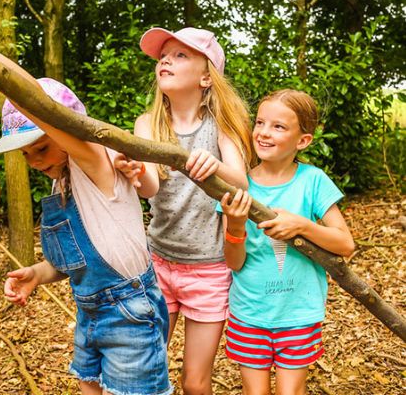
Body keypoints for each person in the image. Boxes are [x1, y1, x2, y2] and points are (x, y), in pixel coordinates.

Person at [0, 1, 172, 395]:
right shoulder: (61, 182)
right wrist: (38, 273)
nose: (34, 161)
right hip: (90, 314)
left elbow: (32, 96)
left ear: (68, 132)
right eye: (25, 154)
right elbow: (76, 260)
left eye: (42, 148)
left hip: (129, 315)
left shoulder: (93, 164)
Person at [115, 27, 253, 394]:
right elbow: (151, 188)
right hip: (157, 264)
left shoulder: (220, 125)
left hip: (208, 270)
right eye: (163, 56)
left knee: (195, 383)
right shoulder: (148, 124)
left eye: (180, 56)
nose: (165, 60)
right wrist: (135, 172)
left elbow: (240, 182)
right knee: (145, 369)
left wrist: (211, 163)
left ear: (207, 77)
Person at [219, 89, 355, 395]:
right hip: (249, 312)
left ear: (303, 140)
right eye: (261, 123)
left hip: (299, 313)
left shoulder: (313, 181)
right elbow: (233, 262)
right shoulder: (239, 185)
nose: (264, 133)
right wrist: (237, 225)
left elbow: (345, 244)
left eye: (279, 127)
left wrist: (302, 225)